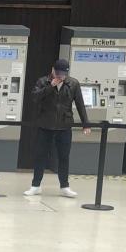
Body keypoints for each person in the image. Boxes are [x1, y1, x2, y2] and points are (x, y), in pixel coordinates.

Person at [25, 58, 92, 198]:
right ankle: (35, 185)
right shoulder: (43, 81)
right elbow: (34, 98)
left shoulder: (73, 83)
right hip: (45, 125)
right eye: (58, 73)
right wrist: (50, 86)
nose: (60, 76)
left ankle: (64, 186)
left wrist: (86, 123)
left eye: (63, 74)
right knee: (40, 156)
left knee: (64, 157)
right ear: (52, 70)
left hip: (64, 125)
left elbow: (80, 103)